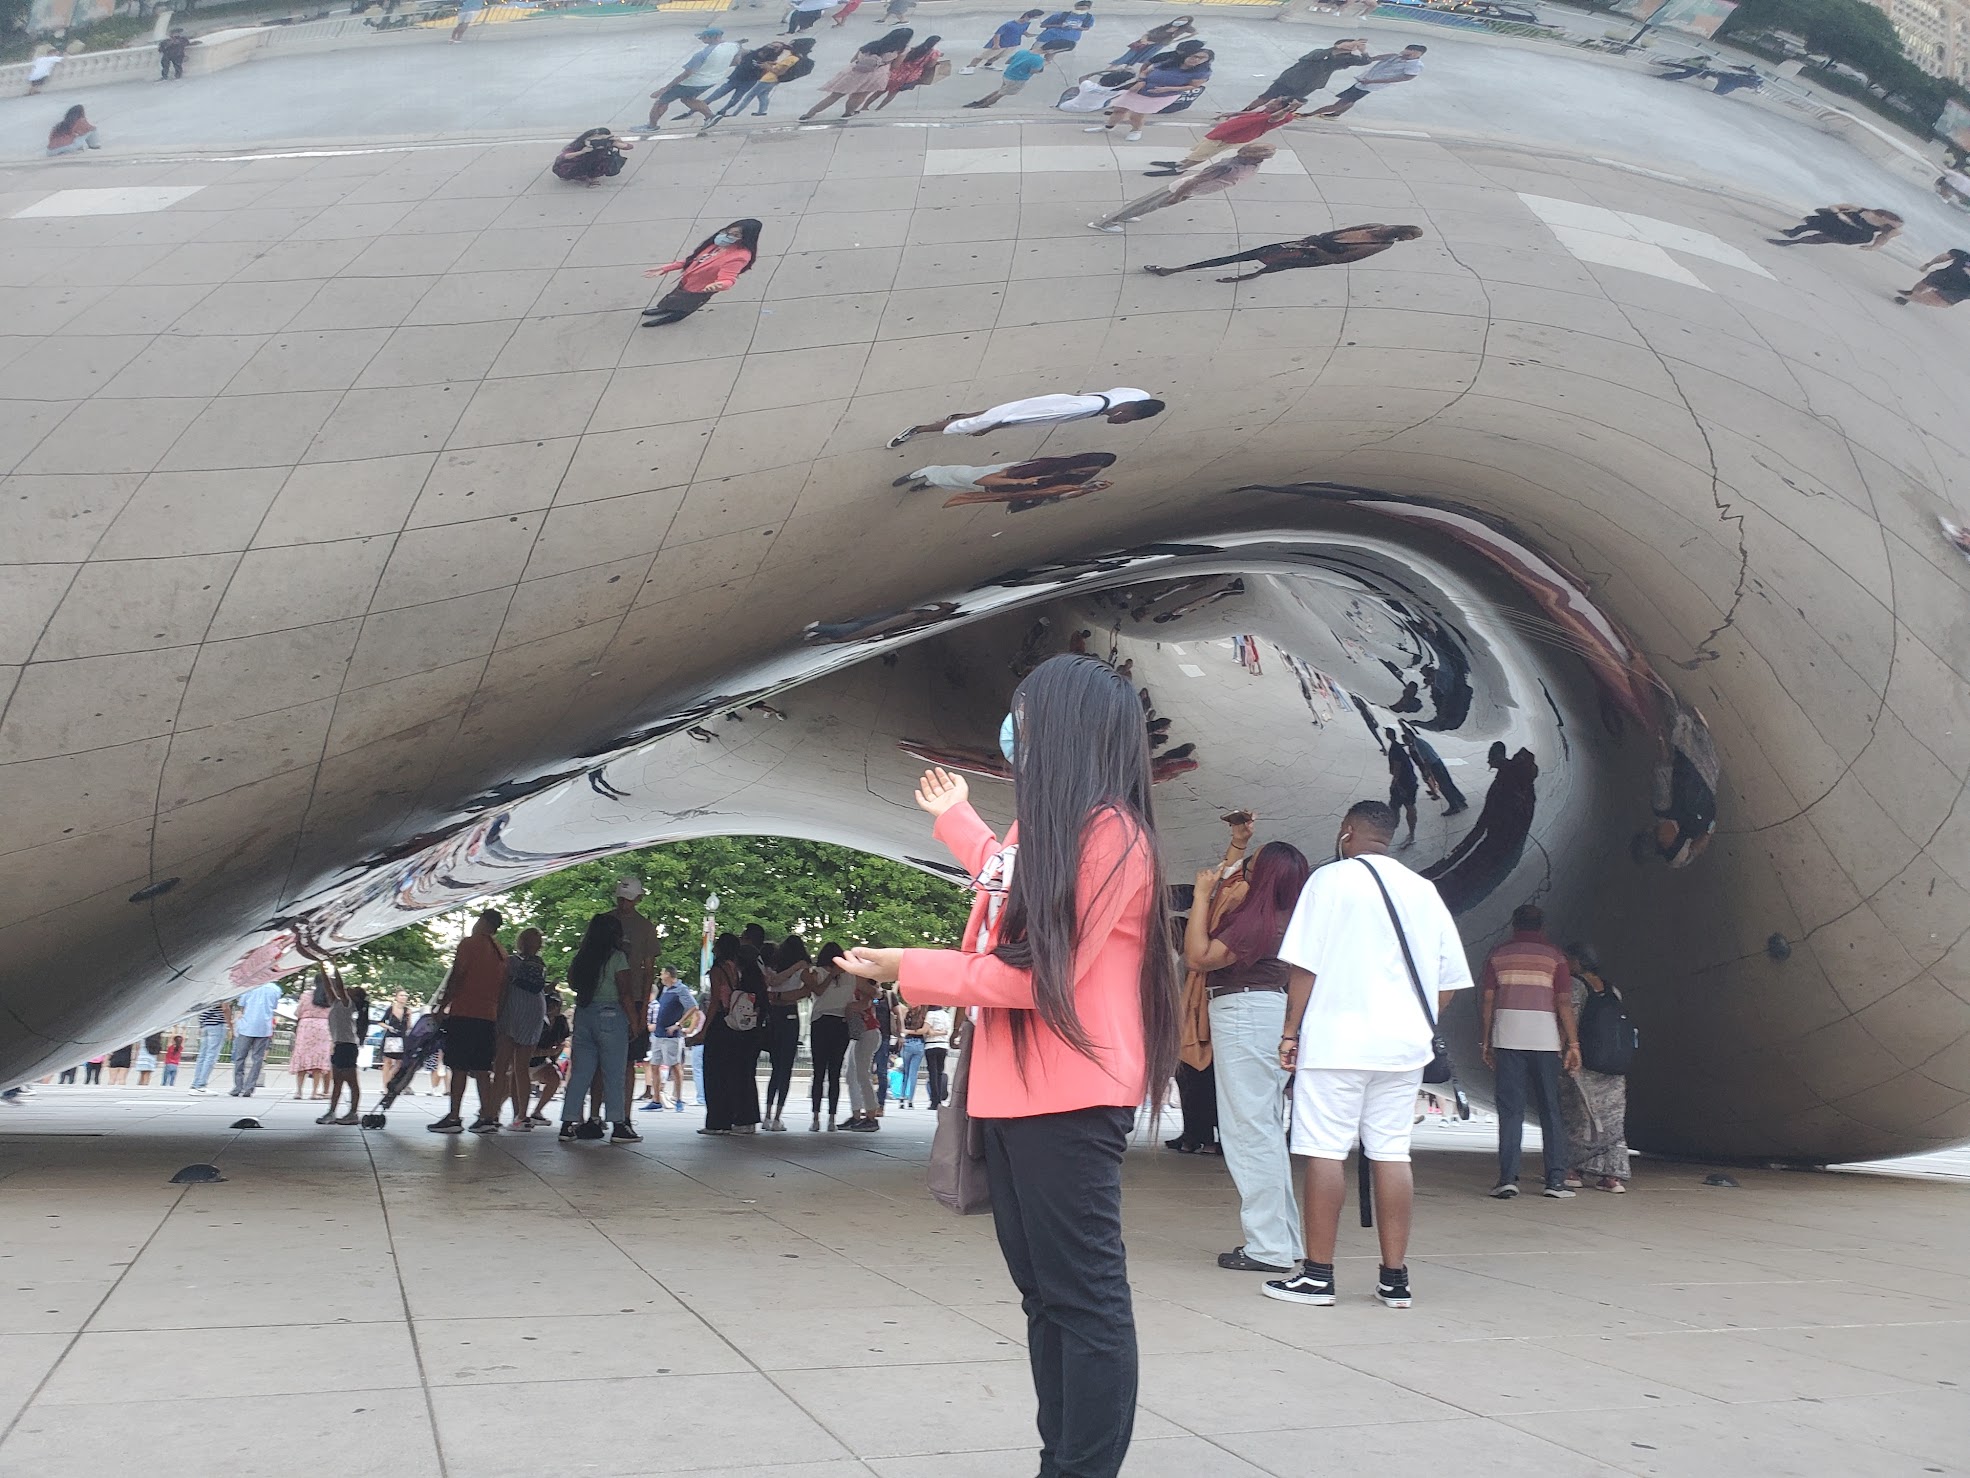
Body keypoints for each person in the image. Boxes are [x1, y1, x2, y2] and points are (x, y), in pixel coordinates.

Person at [837, 654, 1177, 1478]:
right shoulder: (1044, 833)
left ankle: (1079, 1468)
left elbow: (1036, 975)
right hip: (1013, 1089)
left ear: (1064, 729)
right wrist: (959, 819)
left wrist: (908, 968)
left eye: (1023, 716)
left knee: (1084, 1299)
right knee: (1044, 1296)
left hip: (1071, 1093)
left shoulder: (1113, 838)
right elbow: (1005, 884)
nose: (1012, 732)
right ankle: (1059, 1458)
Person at [1264, 800, 1474, 1310]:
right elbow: (1448, 982)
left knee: (1326, 1150)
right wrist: (1416, 1024)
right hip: (1403, 1048)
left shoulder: (1330, 881)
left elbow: (1304, 966)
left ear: (1347, 831)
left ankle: (1317, 1276)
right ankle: (1394, 1281)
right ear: (1391, 836)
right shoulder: (1424, 891)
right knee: (1391, 1151)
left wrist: (1291, 1031)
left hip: (1337, 1041)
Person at [1183, 840, 1313, 1275]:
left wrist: (1200, 896)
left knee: (1248, 1133)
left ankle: (1268, 1247)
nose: (1245, 873)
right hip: (1270, 1012)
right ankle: (1284, 1239)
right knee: (1266, 1131)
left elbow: (1198, 957)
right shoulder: (1293, 919)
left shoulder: (1254, 921)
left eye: (1251, 867)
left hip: (1243, 1012)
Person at [1480, 903, 1580, 1199]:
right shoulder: (1556, 957)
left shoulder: (1499, 954)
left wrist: (1484, 1041)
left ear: (1514, 925)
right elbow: (1563, 1003)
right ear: (1543, 926)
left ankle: (1508, 1179)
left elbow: (1488, 1000)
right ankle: (1556, 1181)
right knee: (1551, 1110)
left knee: (1511, 1111)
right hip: (1546, 1043)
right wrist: (1573, 1043)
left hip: (1507, 1039)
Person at [1170, 812, 1255, 1154]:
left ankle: (1208, 1137)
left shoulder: (1228, 922)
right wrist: (1238, 843)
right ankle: (1197, 1135)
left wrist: (1204, 893)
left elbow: (1224, 889)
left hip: (1211, 1014)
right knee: (1195, 1081)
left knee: (1208, 1082)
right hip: (1197, 1017)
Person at [559, 913, 640, 1144]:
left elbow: (573, 982)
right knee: (614, 1073)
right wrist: (634, 1022)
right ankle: (618, 1125)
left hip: (585, 1014)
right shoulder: (617, 958)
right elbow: (625, 993)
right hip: (611, 1016)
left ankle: (568, 1123)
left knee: (580, 1074)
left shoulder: (582, 957)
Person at [427, 908, 507, 1134]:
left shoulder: (469, 944)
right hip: (488, 1017)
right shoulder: (501, 952)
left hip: (464, 1012)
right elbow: (503, 989)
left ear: (482, 921)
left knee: (458, 1066)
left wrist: (443, 1005)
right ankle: (488, 1116)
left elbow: (458, 975)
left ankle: (454, 1117)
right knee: (483, 1069)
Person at [1559, 943, 1631, 1193]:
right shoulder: (1614, 990)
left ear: (1577, 962)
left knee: (1578, 1116)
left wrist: (1565, 1050)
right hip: (1612, 1066)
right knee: (1612, 1121)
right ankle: (1613, 1177)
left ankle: (1572, 1170)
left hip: (1583, 1063)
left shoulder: (1574, 986)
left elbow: (1569, 1020)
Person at [1088, 144, 1271, 233]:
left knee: (1147, 204)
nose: (1266, 157)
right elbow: (1195, 180)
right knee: (1148, 204)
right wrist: (1178, 196)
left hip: (1195, 190)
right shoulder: (1229, 166)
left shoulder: (1253, 164)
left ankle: (1123, 215)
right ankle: (1105, 223)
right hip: (1185, 188)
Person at [888, 387, 1161, 446]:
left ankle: (958, 415)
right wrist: (989, 429)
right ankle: (920, 429)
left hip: (1057, 399)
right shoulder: (1080, 410)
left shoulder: (1137, 394)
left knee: (989, 412)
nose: (1121, 424)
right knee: (970, 424)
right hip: (1038, 409)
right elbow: (1022, 417)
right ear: (1127, 411)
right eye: (1127, 421)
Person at [688, 932, 766, 1134]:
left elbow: (715, 1001)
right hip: (738, 1025)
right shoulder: (739, 968)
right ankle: (737, 1117)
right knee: (735, 1074)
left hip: (721, 1022)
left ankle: (717, 1121)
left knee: (714, 1074)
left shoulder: (718, 970)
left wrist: (703, 1030)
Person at [1140, 223, 1423, 276]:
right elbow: (1338, 232)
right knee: (1244, 255)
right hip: (1304, 245)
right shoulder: (1375, 226)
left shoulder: (1378, 245)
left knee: (1272, 265)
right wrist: (1318, 237)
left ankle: (1250, 276)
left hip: (1309, 255)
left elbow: (1341, 259)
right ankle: (1177, 269)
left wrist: (1316, 247)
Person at [893, 453, 1115, 511]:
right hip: (999, 478)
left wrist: (1089, 489)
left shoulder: (1077, 478)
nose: (1084, 470)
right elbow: (1004, 475)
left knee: (956, 484)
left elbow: (1059, 495)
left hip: (1000, 487)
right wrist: (1021, 484)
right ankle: (922, 473)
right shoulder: (1046, 465)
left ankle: (932, 482)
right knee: (960, 475)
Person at [641, 221, 761, 326]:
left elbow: (729, 277)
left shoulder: (739, 256)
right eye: (727, 231)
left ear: (745, 238)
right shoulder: (718, 244)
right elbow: (694, 259)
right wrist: (666, 268)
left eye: (735, 235)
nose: (727, 236)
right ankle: (665, 308)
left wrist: (721, 285)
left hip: (701, 288)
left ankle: (672, 317)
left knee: (685, 305)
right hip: (688, 281)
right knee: (674, 298)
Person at [612, 878, 662, 1115]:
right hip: (610, 996)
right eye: (621, 900)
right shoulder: (606, 922)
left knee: (628, 1061)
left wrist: (643, 1010)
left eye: (628, 900)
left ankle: (623, 1115)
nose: (624, 905)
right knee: (607, 1061)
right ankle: (600, 1115)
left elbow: (649, 971)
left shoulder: (645, 928)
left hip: (632, 997)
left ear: (638, 900)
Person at [1086, 47, 1212, 140]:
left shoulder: (1201, 73)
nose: (1195, 59)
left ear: (1207, 61)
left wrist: (1168, 89)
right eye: (1193, 55)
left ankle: (1136, 130)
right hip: (1140, 88)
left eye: (1200, 58)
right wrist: (1141, 80)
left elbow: (1192, 86)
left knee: (1137, 114)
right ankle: (1108, 127)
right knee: (1119, 109)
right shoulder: (1170, 63)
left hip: (1159, 95)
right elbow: (1146, 71)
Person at [1144, 102, 1301, 175]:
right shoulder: (1265, 112)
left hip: (1230, 138)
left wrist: (1288, 108)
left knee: (1203, 154)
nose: (1268, 105)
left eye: (1273, 105)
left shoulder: (1278, 117)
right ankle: (1181, 163)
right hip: (1223, 133)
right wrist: (1234, 113)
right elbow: (1258, 114)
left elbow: (1274, 117)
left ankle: (1180, 169)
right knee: (1200, 149)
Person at [493, 928, 548, 1130]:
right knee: (521, 1068)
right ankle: (521, 1115)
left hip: (513, 1011)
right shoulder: (540, 965)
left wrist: (498, 1013)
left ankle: (492, 1113)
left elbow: (504, 988)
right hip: (535, 1012)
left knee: (501, 1065)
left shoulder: (512, 962)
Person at [801, 27, 915, 118]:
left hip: (854, 72)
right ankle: (848, 113)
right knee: (859, 96)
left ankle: (809, 114)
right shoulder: (902, 49)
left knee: (835, 95)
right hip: (876, 75)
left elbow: (853, 60)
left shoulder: (872, 45)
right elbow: (895, 66)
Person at [761, 935, 813, 1130]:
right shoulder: (802, 971)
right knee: (785, 1069)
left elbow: (773, 985)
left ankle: (766, 1114)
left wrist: (778, 997)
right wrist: (799, 968)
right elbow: (809, 990)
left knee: (775, 1068)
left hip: (773, 1016)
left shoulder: (773, 967)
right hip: (791, 1015)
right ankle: (777, 1117)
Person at [646, 29, 742, 127]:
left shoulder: (702, 54)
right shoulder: (734, 46)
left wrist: (665, 88)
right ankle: (710, 117)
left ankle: (651, 126)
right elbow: (736, 61)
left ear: (713, 37)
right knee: (687, 99)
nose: (700, 39)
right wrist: (717, 66)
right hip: (711, 81)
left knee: (662, 101)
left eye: (703, 37)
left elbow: (687, 74)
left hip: (692, 82)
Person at [706, 37, 815, 122]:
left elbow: (780, 71)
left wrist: (768, 67)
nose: (772, 46)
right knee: (762, 95)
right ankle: (762, 112)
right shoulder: (791, 57)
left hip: (765, 80)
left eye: (776, 47)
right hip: (760, 80)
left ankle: (734, 114)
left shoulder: (790, 58)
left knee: (747, 97)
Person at [1308, 45, 1424, 118]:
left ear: (1417, 54)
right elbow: (1372, 59)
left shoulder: (1414, 65)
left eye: (1410, 53)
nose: (1406, 54)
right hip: (1365, 81)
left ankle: (1311, 114)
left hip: (1369, 84)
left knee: (1342, 102)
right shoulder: (1394, 56)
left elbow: (1406, 78)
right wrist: (1363, 53)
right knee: (1350, 99)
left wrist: (1374, 81)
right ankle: (1336, 114)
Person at [1246, 39, 1368, 108]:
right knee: (1266, 97)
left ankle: (1267, 116)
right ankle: (1247, 110)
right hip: (1291, 79)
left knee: (1288, 102)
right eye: (1348, 43)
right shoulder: (1321, 52)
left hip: (1309, 84)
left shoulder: (1347, 59)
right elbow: (1311, 57)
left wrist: (1363, 51)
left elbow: (1365, 61)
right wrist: (1336, 49)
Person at [964, 38, 1075, 106]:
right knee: (1001, 94)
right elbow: (1035, 71)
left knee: (1000, 90)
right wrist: (1046, 63)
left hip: (1008, 74)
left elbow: (1008, 61)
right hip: (1018, 79)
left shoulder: (1023, 51)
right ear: (1052, 51)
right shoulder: (1038, 60)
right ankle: (984, 105)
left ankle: (980, 101)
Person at [318, 968, 367, 1126]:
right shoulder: (337, 1003)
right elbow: (329, 987)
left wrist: (334, 964)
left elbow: (338, 985)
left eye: (353, 990)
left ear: (356, 997)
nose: (348, 989)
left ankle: (353, 1112)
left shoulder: (348, 1004)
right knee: (337, 1082)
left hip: (347, 1046)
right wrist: (321, 967)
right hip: (340, 1045)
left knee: (351, 1082)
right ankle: (332, 1112)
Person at [645, 966, 696, 1112]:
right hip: (659, 1034)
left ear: (668, 974)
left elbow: (693, 1007)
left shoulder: (681, 989)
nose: (660, 976)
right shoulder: (666, 989)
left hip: (671, 1035)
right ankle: (656, 1100)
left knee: (675, 1065)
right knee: (655, 1065)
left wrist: (678, 1024)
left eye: (662, 973)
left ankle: (679, 1098)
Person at [230, 978, 283, 1097]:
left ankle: (238, 1086)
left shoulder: (249, 987)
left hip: (247, 1026)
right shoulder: (275, 989)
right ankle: (250, 1086)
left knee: (240, 1057)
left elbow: (242, 1007)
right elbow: (273, 1007)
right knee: (257, 1059)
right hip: (264, 1027)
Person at [842, 977, 882, 1130]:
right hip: (862, 1032)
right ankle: (858, 1114)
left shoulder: (859, 983)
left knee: (861, 1073)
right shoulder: (855, 983)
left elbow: (866, 1001)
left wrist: (848, 1008)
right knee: (852, 1074)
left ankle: (871, 1115)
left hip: (867, 1031)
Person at [1769, 205, 1901, 250]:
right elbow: (1835, 206)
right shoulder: (1863, 210)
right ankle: (1794, 232)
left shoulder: (1889, 228)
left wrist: (1874, 246)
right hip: (1838, 223)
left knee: (1820, 238)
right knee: (1811, 226)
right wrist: (1839, 214)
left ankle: (1791, 241)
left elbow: (1883, 238)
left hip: (1854, 234)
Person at [529, 992, 572, 1123]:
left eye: (556, 1004)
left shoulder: (561, 1022)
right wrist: (548, 1052)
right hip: (523, 1062)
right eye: (550, 1003)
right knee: (508, 1088)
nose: (553, 1007)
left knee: (554, 1078)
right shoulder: (536, 1020)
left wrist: (554, 1057)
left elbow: (561, 1042)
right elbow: (527, 1050)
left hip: (540, 1063)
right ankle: (493, 1112)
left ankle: (537, 1112)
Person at [290, 976, 333, 1099]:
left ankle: (298, 1091)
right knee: (318, 1060)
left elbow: (298, 1012)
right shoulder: (330, 997)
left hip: (306, 1027)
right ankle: (314, 1092)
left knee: (302, 1057)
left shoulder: (306, 995)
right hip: (324, 1027)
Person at [873, 35, 943, 108]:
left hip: (898, 71)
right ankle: (879, 108)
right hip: (910, 76)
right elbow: (930, 65)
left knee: (880, 91)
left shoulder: (917, 48)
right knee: (892, 94)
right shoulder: (934, 53)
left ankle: (865, 106)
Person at [965, 8, 1043, 70]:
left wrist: (1034, 34)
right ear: (1027, 16)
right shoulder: (1009, 24)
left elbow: (1024, 32)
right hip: (1002, 43)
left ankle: (988, 65)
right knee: (983, 56)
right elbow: (997, 34)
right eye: (1036, 17)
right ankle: (970, 67)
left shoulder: (1026, 24)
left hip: (1013, 44)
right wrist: (996, 44)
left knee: (998, 56)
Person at [551, 128, 632, 185]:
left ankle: (593, 177)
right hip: (579, 161)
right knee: (567, 167)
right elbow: (565, 156)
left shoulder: (608, 142)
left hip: (597, 161)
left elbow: (628, 147)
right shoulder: (579, 145)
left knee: (602, 161)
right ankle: (576, 175)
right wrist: (582, 152)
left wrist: (619, 140)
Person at [1895, 249, 1970, 307]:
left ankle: (1910, 298)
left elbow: (1944, 257)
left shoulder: (1964, 256)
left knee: (1936, 298)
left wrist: (1928, 265)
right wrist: (1928, 264)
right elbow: (1944, 257)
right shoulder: (1964, 255)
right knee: (1927, 282)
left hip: (1961, 289)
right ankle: (1911, 295)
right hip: (1946, 276)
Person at [1112, 15, 1193, 67]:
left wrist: (1178, 40)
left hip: (1155, 45)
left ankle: (1127, 67)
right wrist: (1144, 39)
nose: (1180, 21)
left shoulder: (1183, 29)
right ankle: (1113, 66)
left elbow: (1194, 33)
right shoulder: (1166, 25)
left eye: (1184, 21)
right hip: (1144, 41)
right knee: (1129, 54)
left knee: (1140, 56)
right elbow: (1149, 32)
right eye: (1181, 19)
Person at [1386, 727, 1420, 848]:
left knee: (1407, 806)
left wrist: (1394, 783)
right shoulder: (1398, 747)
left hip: (1404, 784)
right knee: (1398, 806)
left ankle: (1409, 834)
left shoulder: (1395, 749)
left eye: (1387, 733)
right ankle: (1397, 828)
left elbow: (1397, 767)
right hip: (1408, 782)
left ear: (1390, 735)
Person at [188, 1003, 231, 1092]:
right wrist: (230, 1025)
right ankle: (201, 1084)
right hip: (217, 1024)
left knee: (202, 1056)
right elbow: (225, 1008)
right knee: (212, 1055)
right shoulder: (222, 992)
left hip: (205, 1024)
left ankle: (195, 1083)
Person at [921, 1004, 953, 1108]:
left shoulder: (930, 1014)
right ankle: (939, 1099)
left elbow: (926, 1030)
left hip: (931, 1045)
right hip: (943, 1045)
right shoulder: (946, 1015)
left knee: (932, 1074)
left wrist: (933, 1032)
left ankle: (934, 1100)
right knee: (939, 1073)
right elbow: (947, 1031)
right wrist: (941, 1032)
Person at [378, 991, 412, 1091]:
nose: (403, 997)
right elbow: (381, 1022)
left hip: (402, 1037)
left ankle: (390, 1081)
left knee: (400, 1062)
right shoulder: (390, 1009)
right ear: (396, 997)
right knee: (387, 1061)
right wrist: (388, 1027)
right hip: (391, 1037)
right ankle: (385, 1085)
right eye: (401, 995)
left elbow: (409, 1026)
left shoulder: (407, 1010)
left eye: (405, 996)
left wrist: (409, 1018)